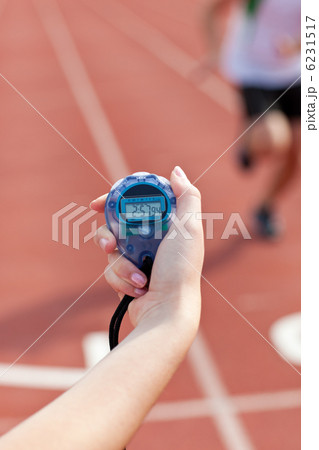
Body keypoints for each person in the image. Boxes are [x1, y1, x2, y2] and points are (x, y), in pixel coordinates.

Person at [0, 167, 204, 450]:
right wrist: (169, 312)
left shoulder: (123, 207)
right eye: (137, 210)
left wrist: (168, 311)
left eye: (148, 209)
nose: (143, 216)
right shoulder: (159, 202)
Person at [201, 0, 301, 237]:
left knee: (300, 154)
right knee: (274, 139)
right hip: (252, 71)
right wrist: (214, 53)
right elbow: (211, 12)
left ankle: (265, 207)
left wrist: (298, 45)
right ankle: (251, 138)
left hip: (294, 73)